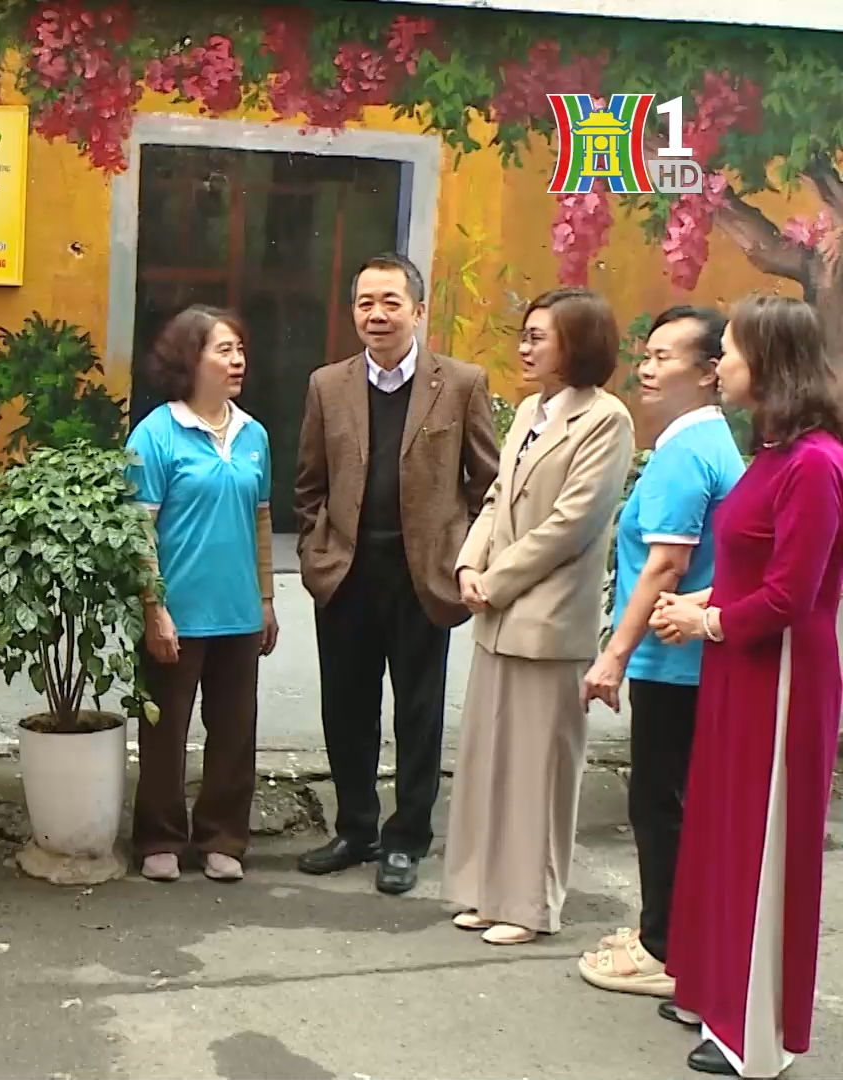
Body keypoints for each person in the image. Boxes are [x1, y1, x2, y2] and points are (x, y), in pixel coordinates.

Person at [653, 295, 843, 1078]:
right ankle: (714, 991)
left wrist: (705, 621)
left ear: (767, 362)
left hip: (783, 677)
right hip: (740, 665)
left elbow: (793, 595)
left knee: (766, 846)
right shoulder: (769, 453)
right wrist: (699, 604)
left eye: (728, 351)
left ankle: (757, 1034)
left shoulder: (815, 464)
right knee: (724, 834)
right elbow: (747, 570)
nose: (720, 364)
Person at [293, 253, 500, 894]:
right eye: (365, 302)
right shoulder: (327, 385)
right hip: (346, 576)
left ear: (418, 310)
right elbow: (308, 484)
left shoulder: (460, 383)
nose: (376, 314)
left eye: (390, 302)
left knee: (418, 713)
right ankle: (356, 828)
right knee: (346, 710)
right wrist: (316, 552)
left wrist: (463, 554)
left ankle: (407, 838)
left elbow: (488, 483)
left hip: (422, 578)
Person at [446, 287, 634, 946]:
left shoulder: (606, 420)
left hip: (549, 620)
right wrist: (468, 565)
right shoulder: (529, 409)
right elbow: (497, 497)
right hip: (497, 616)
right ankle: (484, 892)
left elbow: (571, 523)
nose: (524, 348)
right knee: (488, 764)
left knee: (539, 774)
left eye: (538, 337)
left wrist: (495, 582)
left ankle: (529, 906)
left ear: (576, 344)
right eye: (523, 336)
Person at [577, 306, 743, 997]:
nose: (647, 369)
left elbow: (665, 567)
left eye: (665, 358)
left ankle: (663, 948)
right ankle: (670, 933)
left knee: (658, 803)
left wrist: (614, 654)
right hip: (685, 657)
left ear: (708, 373)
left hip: (674, 661)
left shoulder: (687, 453)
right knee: (672, 800)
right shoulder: (703, 443)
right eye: (646, 355)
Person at [127, 305, 277, 884]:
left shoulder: (254, 435)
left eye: (240, 350)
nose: (238, 361)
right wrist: (154, 608)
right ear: (191, 359)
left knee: (235, 734)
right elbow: (138, 530)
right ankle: (160, 839)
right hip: (178, 613)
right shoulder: (156, 434)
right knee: (164, 734)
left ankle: (223, 838)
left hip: (238, 612)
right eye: (224, 350)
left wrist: (266, 600)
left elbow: (261, 521)